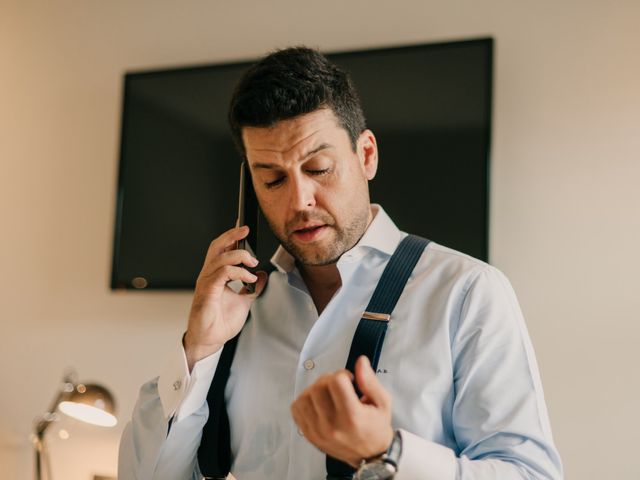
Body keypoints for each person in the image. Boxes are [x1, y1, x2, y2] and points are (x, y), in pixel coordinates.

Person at [118, 47, 563, 480]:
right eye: (272, 179)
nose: (299, 201)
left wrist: (388, 454)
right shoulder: (237, 311)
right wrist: (197, 350)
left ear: (366, 155)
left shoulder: (467, 292)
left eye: (319, 169)